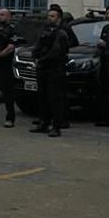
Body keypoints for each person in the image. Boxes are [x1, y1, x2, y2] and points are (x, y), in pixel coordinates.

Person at [29, 7, 70, 137]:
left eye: (52, 16)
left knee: (55, 99)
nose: (49, 18)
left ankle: (56, 126)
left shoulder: (61, 33)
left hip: (55, 69)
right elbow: (37, 46)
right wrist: (36, 56)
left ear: (59, 18)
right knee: (42, 97)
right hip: (43, 69)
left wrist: (42, 59)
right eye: (49, 16)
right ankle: (43, 123)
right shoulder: (45, 31)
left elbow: (56, 52)